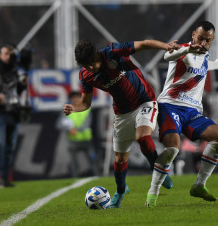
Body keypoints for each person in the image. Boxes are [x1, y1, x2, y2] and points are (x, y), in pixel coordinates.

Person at [63, 39, 180, 208]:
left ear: (97, 54)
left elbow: (144, 44)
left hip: (144, 101)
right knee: (119, 159)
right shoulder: (85, 75)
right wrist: (74, 108)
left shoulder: (113, 52)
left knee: (143, 138)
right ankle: (120, 190)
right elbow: (85, 102)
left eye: (91, 64)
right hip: (121, 112)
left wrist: (166, 46)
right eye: (85, 66)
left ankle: (158, 170)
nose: (89, 68)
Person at [145, 21, 218, 207]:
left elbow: (208, 65)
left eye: (208, 40)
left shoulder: (205, 57)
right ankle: (152, 193)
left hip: (192, 112)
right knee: (173, 149)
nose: (203, 43)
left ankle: (199, 185)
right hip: (169, 106)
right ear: (193, 35)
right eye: (200, 38)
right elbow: (168, 56)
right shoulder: (183, 50)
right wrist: (188, 49)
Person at [0, 43, 28, 188]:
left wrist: (23, 84)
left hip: (14, 111)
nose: (8, 57)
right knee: (0, 144)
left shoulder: (15, 69)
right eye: (6, 53)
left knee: (10, 146)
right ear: (0, 54)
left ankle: (4, 178)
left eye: (10, 54)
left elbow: (17, 91)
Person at [57, 91, 98, 177]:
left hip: (86, 140)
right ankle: (75, 178)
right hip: (73, 140)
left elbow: (87, 123)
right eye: (73, 98)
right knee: (73, 162)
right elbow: (59, 124)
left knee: (93, 159)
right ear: (71, 99)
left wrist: (75, 129)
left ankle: (97, 176)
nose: (75, 99)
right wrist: (68, 129)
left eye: (77, 97)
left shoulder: (86, 108)